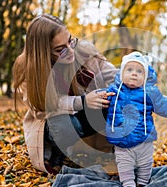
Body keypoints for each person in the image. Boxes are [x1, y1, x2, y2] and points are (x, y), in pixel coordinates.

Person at [12, 13, 118, 174]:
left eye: (70, 41)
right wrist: (82, 101)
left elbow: (112, 74)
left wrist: (139, 82)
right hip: (54, 121)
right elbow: (42, 107)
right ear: (43, 52)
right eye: (60, 50)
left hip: (85, 114)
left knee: (112, 99)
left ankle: (117, 149)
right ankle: (57, 152)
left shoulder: (83, 51)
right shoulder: (27, 68)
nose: (70, 51)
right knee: (65, 126)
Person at [105, 51, 167, 187]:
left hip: (144, 137)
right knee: (124, 163)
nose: (134, 74)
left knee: (145, 162)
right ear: (121, 73)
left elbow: (163, 105)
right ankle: (128, 185)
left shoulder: (151, 93)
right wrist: (96, 98)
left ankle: (142, 182)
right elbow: (101, 98)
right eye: (129, 70)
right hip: (120, 137)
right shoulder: (114, 90)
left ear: (146, 76)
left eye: (139, 71)